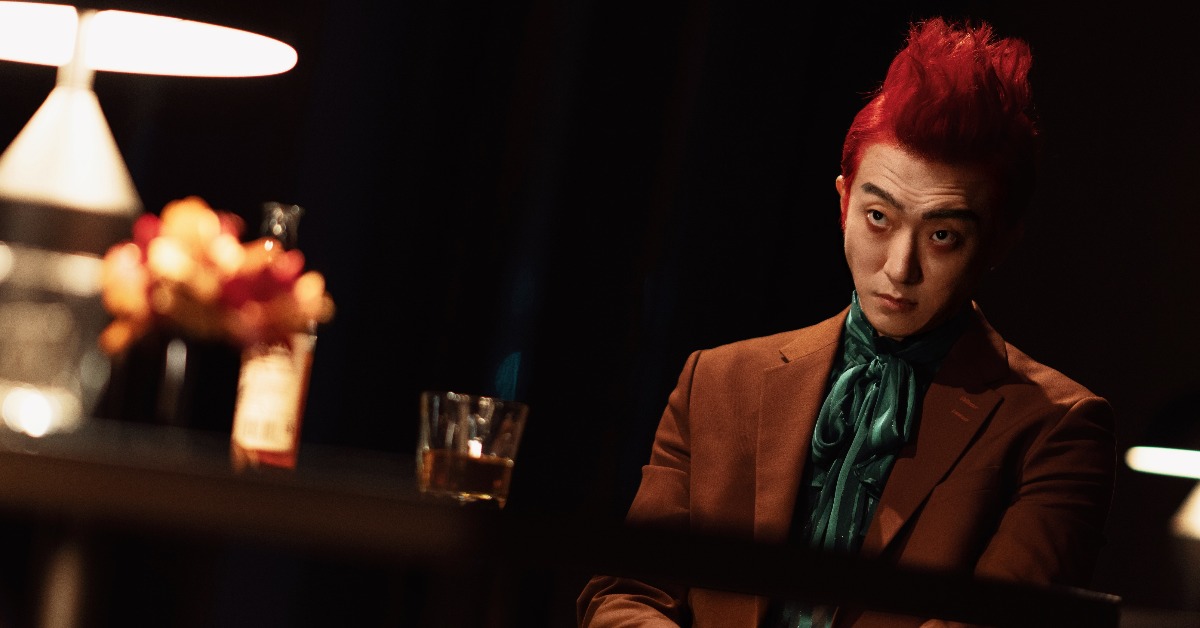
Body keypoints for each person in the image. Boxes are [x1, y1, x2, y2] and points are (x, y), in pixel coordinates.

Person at [576, 16, 1117, 628]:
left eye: (942, 235)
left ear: (1000, 242)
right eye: (879, 217)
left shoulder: (1056, 429)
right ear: (843, 202)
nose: (899, 267)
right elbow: (628, 592)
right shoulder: (717, 382)